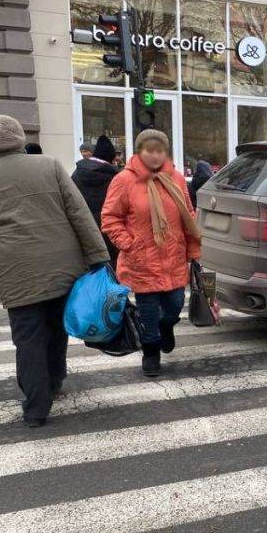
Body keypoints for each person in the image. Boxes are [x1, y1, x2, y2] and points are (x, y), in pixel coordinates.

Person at [0, 115, 109, 427]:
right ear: (20, 138)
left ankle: (36, 407)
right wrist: (98, 257)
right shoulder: (49, 166)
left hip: (16, 268)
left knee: (28, 337)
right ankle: (56, 379)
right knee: (56, 326)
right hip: (64, 263)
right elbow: (79, 214)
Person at [101, 129, 201, 377]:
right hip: (142, 260)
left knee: (174, 307)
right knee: (148, 312)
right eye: (149, 150)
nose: (155, 156)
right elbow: (110, 217)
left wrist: (193, 249)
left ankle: (167, 326)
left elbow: (189, 214)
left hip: (174, 258)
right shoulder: (124, 180)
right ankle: (151, 352)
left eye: (159, 150)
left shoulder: (176, 178)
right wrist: (128, 243)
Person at [71, 135, 121, 264]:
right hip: (109, 231)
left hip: (83, 228)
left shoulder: (77, 174)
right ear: (111, 158)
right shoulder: (115, 177)